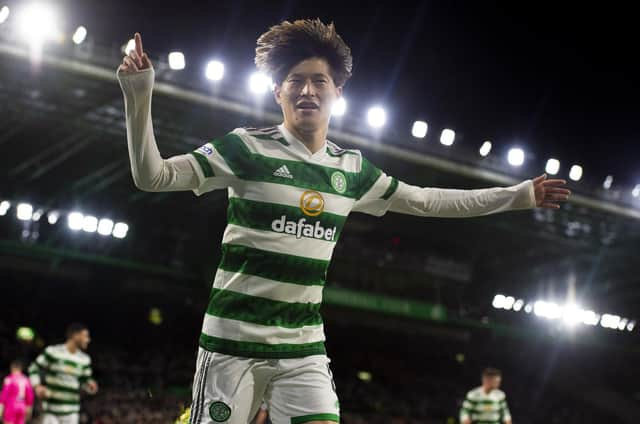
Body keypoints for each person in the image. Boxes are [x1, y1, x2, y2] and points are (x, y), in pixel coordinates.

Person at [117, 19, 569, 424]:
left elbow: (429, 201)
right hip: (231, 345)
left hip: (303, 348)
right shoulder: (245, 148)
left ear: (338, 92)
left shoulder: (351, 170)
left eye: (319, 81)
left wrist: (520, 194)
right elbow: (152, 177)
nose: (307, 90)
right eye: (295, 81)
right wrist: (139, 94)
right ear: (278, 92)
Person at [28, 323, 98, 424]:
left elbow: (85, 381)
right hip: (51, 412)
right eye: (86, 336)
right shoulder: (53, 352)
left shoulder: (85, 359)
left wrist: (91, 386)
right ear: (75, 336)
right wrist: (37, 386)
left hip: (72, 412)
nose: (88, 340)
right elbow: (34, 368)